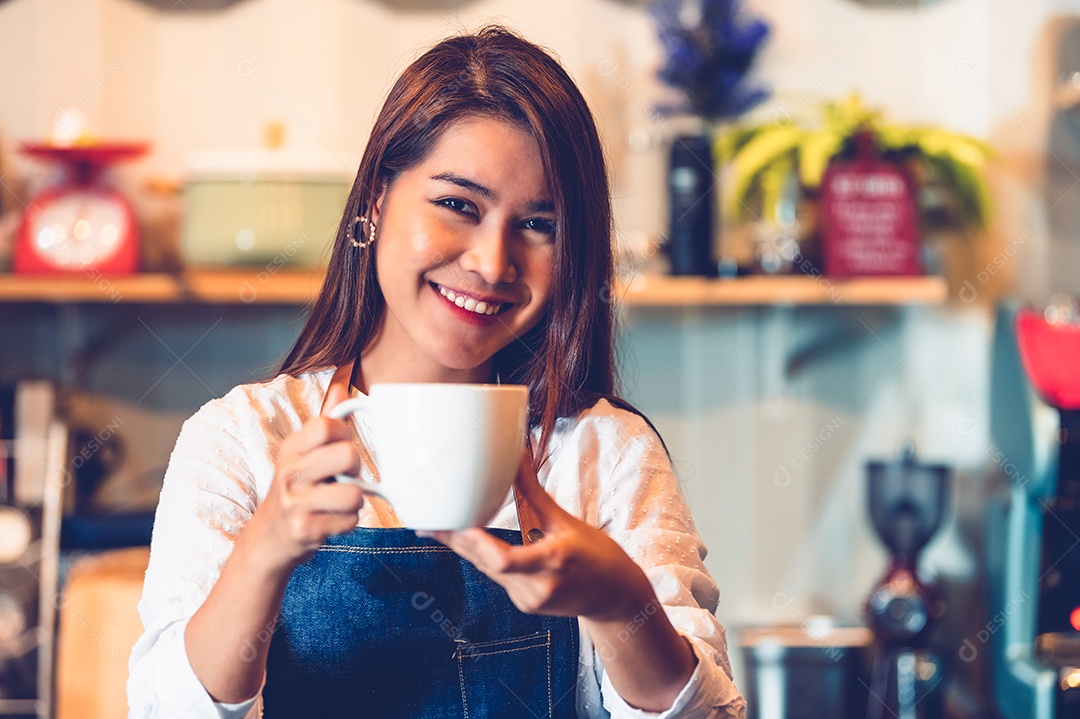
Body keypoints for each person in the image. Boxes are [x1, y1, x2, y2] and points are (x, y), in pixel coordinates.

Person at [128, 25, 745, 719]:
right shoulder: (241, 439)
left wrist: (621, 601)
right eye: (458, 204)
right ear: (375, 201)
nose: (491, 261)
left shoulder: (608, 453)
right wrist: (263, 552)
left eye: (539, 224)